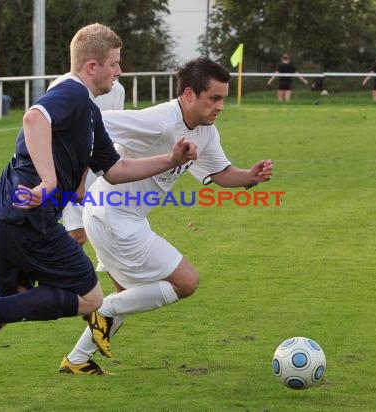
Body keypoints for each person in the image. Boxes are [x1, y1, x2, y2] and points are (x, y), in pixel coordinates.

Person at [0, 23, 197, 396]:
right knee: (90, 297)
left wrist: (169, 159)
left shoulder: (89, 112)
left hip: (0, 214)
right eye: (114, 64)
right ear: (92, 66)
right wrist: (48, 182)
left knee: (10, 302)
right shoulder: (73, 93)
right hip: (27, 219)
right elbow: (34, 118)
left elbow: (116, 170)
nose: (119, 72)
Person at [58, 56, 274, 375]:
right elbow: (92, 123)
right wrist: (78, 177)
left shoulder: (205, 132)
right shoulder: (159, 121)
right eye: (214, 98)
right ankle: (99, 312)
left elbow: (221, 172)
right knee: (186, 282)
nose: (220, 106)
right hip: (113, 216)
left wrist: (250, 176)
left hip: (118, 216)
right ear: (189, 95)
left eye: (223, 99)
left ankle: (76, 361)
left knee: (129, 296)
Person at [61, 79, 125, 247]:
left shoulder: (118, 89)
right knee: (77, 235)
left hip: (102, 170)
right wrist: (79, 181)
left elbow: (113, 133)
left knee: (109, 232)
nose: (118, 70)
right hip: (72, 170)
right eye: (112, 63)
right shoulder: (63, 85)